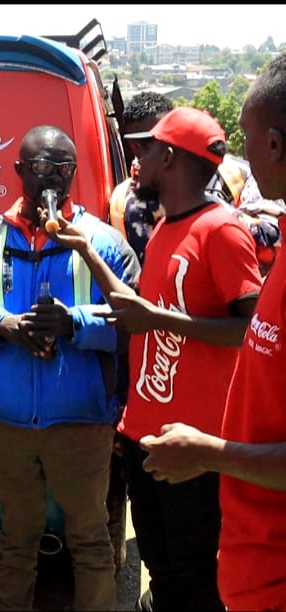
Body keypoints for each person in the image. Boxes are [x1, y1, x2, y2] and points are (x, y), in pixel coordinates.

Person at [50, 106, 263, 611]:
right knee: (163, 571)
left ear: (168, 157)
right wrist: (85, 250)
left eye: (145, 150)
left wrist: (160, 322)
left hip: (194, 445)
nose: (136, 161)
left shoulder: (222, 230)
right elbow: (139, 309)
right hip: (146, 433)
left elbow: (252, 332)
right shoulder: (169, 227)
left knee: (194, 581)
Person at [0, 125, 140, 611]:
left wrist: (75, 323)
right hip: (7, 427)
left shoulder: (105, 244)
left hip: (81, 426)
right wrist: (4, 325)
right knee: (16, 542)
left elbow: (137, 325)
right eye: (38, 168)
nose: (50, 178)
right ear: (18, 172)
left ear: (73, 172)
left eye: (62, 168)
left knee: (91, 543)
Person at [137, 53, 286, 611]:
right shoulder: (163, 227)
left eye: (246, 140)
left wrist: (214, 451)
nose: (239, 160)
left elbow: (238, 326)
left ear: (273, 144)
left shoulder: (223, 229)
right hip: (247, 553)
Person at [109, 91, 285, 272]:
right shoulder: (123, 200)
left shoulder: (236, 173)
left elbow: (276, 239)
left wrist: (199, 204)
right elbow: (131, 270)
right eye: (143, 145)